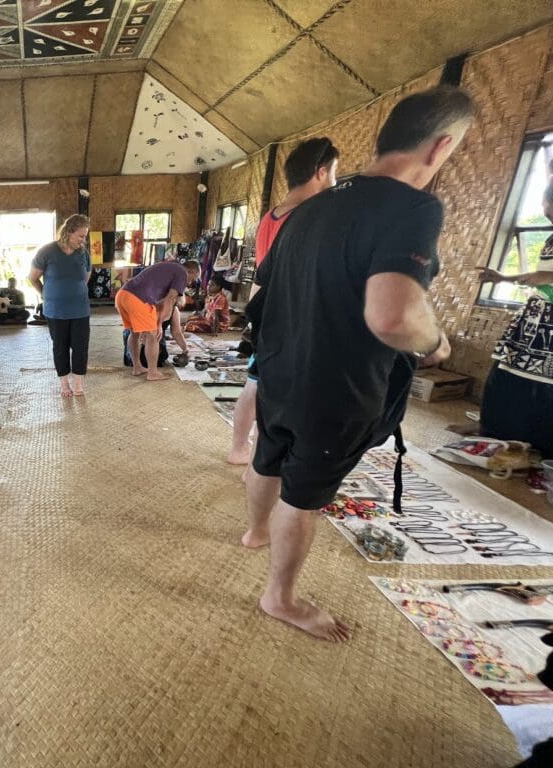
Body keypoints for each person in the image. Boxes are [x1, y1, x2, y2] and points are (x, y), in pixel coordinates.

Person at [242, 86, 474, 641]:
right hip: (335, 389)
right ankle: (280, 598)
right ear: (441, 147)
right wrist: (434, 342)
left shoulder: (309, 209)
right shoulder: (414, 206)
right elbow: (393, 316)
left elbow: (262, 295)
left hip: (278, 371)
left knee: (268, 456)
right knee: (305, 494)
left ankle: (254, 533)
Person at [228, 138, 340, 465]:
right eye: (334, 173)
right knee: (277, 395)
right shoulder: (309, 217)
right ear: (320, 172)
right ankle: (261, 462)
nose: (334, 181)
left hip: (266, 311)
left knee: (257, 381)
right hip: (289, 316)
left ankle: (240, 449)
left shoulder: (271, 216)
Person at [459, 182, 553, 455]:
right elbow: (540, 278)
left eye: (547, 203)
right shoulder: (550, 239)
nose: (544, 210)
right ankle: (494, 430)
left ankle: (540, 445)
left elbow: (546, 278)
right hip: (534, 320)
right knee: (507, 372)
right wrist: (502, 277)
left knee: (544, 385)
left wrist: (546, 279)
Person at [28, 214, 92, 396]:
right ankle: (64, 384)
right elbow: (32, 278)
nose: (83, 240)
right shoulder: (47, 252)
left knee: (80, 347)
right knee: (60, 346)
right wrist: (46, 295)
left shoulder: (83, 253)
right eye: (81, 235)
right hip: (55, 311)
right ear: (69, 232)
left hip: (80, 309)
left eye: (85, 235)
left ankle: (78, 384)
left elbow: (85, 278)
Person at [116, 259, 200, 381]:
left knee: (134, 332)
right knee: (153, 334)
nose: (188, 283)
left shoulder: (170, 267)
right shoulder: (182, 272)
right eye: (192, 279)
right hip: (138, 299)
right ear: (190, 271)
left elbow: (163, 300)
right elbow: (170, 298)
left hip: (123, 295)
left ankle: (137, 367)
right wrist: (159, 323)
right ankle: (153, 373)